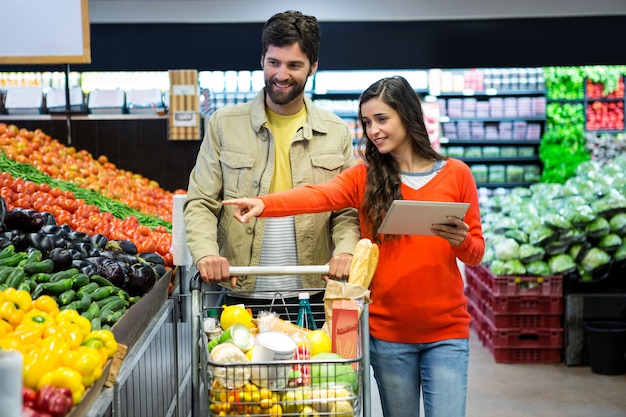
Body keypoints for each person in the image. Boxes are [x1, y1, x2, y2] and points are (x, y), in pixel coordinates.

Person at [223, 76, 485, 417]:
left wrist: (461, 240)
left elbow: (476, 252)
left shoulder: (457, 174)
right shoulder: (365, 178)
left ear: (407, 115)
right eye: (367, 122)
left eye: (382, 119)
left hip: (447, 333)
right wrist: (263, 203)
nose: (373, 130)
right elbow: (318, 195)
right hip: (388, 335)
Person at [183, 10, 361, 323]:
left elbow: (346, 209)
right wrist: (206, 253)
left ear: (313, 67)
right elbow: (200, 202)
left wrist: (346, 250)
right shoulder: (224, 125)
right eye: (274, 62)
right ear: (262, 59)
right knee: (241, 373)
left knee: (311, 373)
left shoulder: (335, 131)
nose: (281, 74)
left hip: (314, 292)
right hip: (240, 290)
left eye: (294, 65)